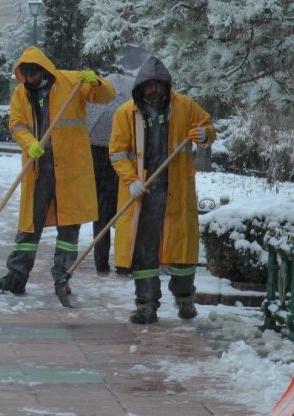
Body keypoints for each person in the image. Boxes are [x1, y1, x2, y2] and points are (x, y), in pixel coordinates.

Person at [0, 46, 115, 305]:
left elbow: (105, 96)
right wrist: (28, 142)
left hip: (70, 169)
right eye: (25, 77)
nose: (30, 81)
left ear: (43, 70)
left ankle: (62, 276)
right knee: (29, 225)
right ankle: (17, 276)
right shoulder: (20, 94)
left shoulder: (71, 81)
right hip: (38, 169)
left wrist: (97, 82)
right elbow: (16, 124)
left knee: (69, 227)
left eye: (33, 76)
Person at [109, 56, 215, 323]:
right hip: (143, 196)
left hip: (176, 192)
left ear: (166, 86)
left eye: (158, 85)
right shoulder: (126, 113)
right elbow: (117, 152)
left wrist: (204, 135)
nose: (154, 90)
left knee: (182, 250)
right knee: (145, 251)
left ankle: (185, 299)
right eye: (149, 85)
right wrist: (131, 180)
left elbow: (207, 125)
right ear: (140, 87)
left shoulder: (185, 107)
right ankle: (146, 304)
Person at [86, 73, 134, 276]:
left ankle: (101, 262)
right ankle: (126, 260)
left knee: (102, 217)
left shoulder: (97, 116)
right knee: (126, 216)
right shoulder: (129, 113)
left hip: (101, 168)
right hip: (123, 167)